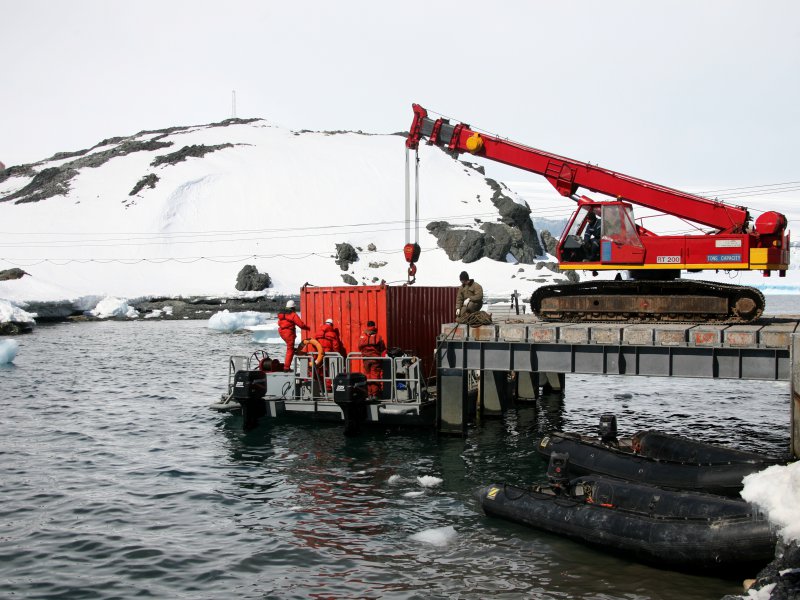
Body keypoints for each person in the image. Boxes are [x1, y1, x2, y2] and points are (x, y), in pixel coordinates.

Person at [277, 300, 310, 371]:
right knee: (290, 349)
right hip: (288, 333)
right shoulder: (293, 315)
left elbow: (280, 323)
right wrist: (308, 328)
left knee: (290, 348)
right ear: (293, 307)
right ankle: (286, 367)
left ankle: (293, 352)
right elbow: (301, 325)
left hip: (282, 332)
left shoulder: (281, 314)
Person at [358, 320, 386, 399]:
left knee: (367, 376)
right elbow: (382, 348)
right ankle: (375, 394)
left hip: (366, 360)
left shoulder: (362, 337)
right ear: (374, 326)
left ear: (367, 326)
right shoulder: (378, 336)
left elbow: (359, 347)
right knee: (375, 376)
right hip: (375, 359)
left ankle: (369, 394)